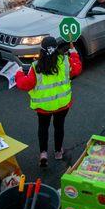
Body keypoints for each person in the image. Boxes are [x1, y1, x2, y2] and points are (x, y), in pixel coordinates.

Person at [15, 37, 82, 166]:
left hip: (43, 107)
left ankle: (43, 154)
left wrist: (18, 74)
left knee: (43, 128)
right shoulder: (65, 61)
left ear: (42, 50)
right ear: (56, 49)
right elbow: (77, 69)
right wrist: (73, 52)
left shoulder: (36, 66)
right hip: (62, 104)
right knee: (59, 126)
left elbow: (25, 84)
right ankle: (58, 152)